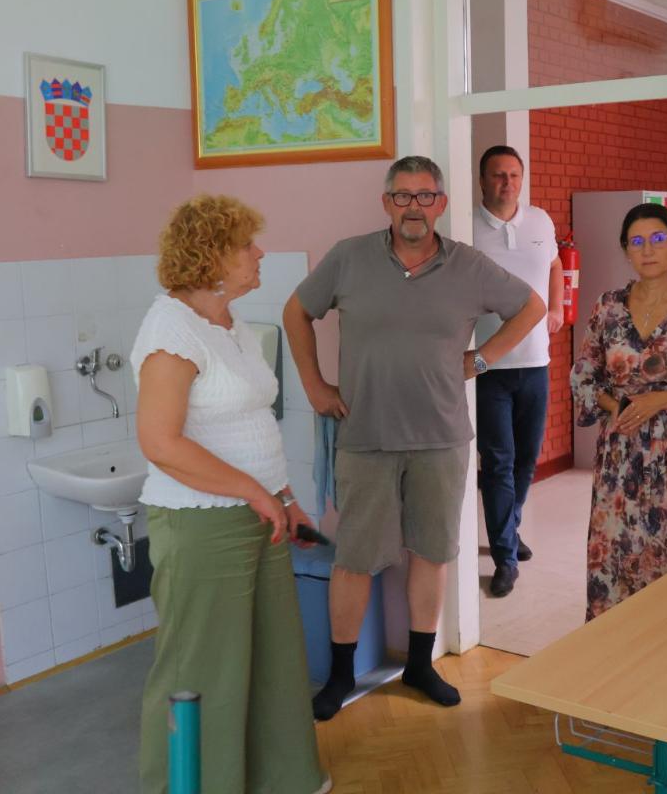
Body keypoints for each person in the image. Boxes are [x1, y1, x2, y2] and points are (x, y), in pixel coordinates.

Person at [284, 155, 546, 721]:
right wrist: (313, 385)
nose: (413, 207)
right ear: (386, 203)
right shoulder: (348, 257)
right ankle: (340, 675)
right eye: (402, 196)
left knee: (431, 552)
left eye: (425, 196)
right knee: (354, 560)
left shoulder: (468, 265)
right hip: (365, 437)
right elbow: (296, 312)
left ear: (441, 204)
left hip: (441, 438)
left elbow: (532, 307)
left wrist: (482, 359)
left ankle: (421, 666)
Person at [132, 195, 330, 794]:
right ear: (211, 255)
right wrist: (253, 492)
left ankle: (280, 781)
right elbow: (160, 442)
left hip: (257, 515)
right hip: (201, 524)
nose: (259, 253)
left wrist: (283, 496)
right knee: (201, 670)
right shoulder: (170, 329)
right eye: (246, 245)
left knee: (272, 661)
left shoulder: (230, 324)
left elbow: (249, 426)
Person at [569, 202, 667, 621]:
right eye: (637, 242)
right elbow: (583, 376)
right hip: (620, 454)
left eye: (657, 239)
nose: (648, 249)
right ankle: (615, 650)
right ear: (626, 251)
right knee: (617, 555)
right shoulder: (608, 307)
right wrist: (616, 404)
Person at [473, 145, 563, 597]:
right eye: (498, 175)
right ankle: (505, 557)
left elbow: (555, 264)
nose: (507, 183)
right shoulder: (467, 228)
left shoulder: (540, 221)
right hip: (489, 365)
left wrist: (558, 306)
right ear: (482, 180)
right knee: (499, 463)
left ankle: (508, 528)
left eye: (513, 175)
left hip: (536, 362)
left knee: (527, 459)